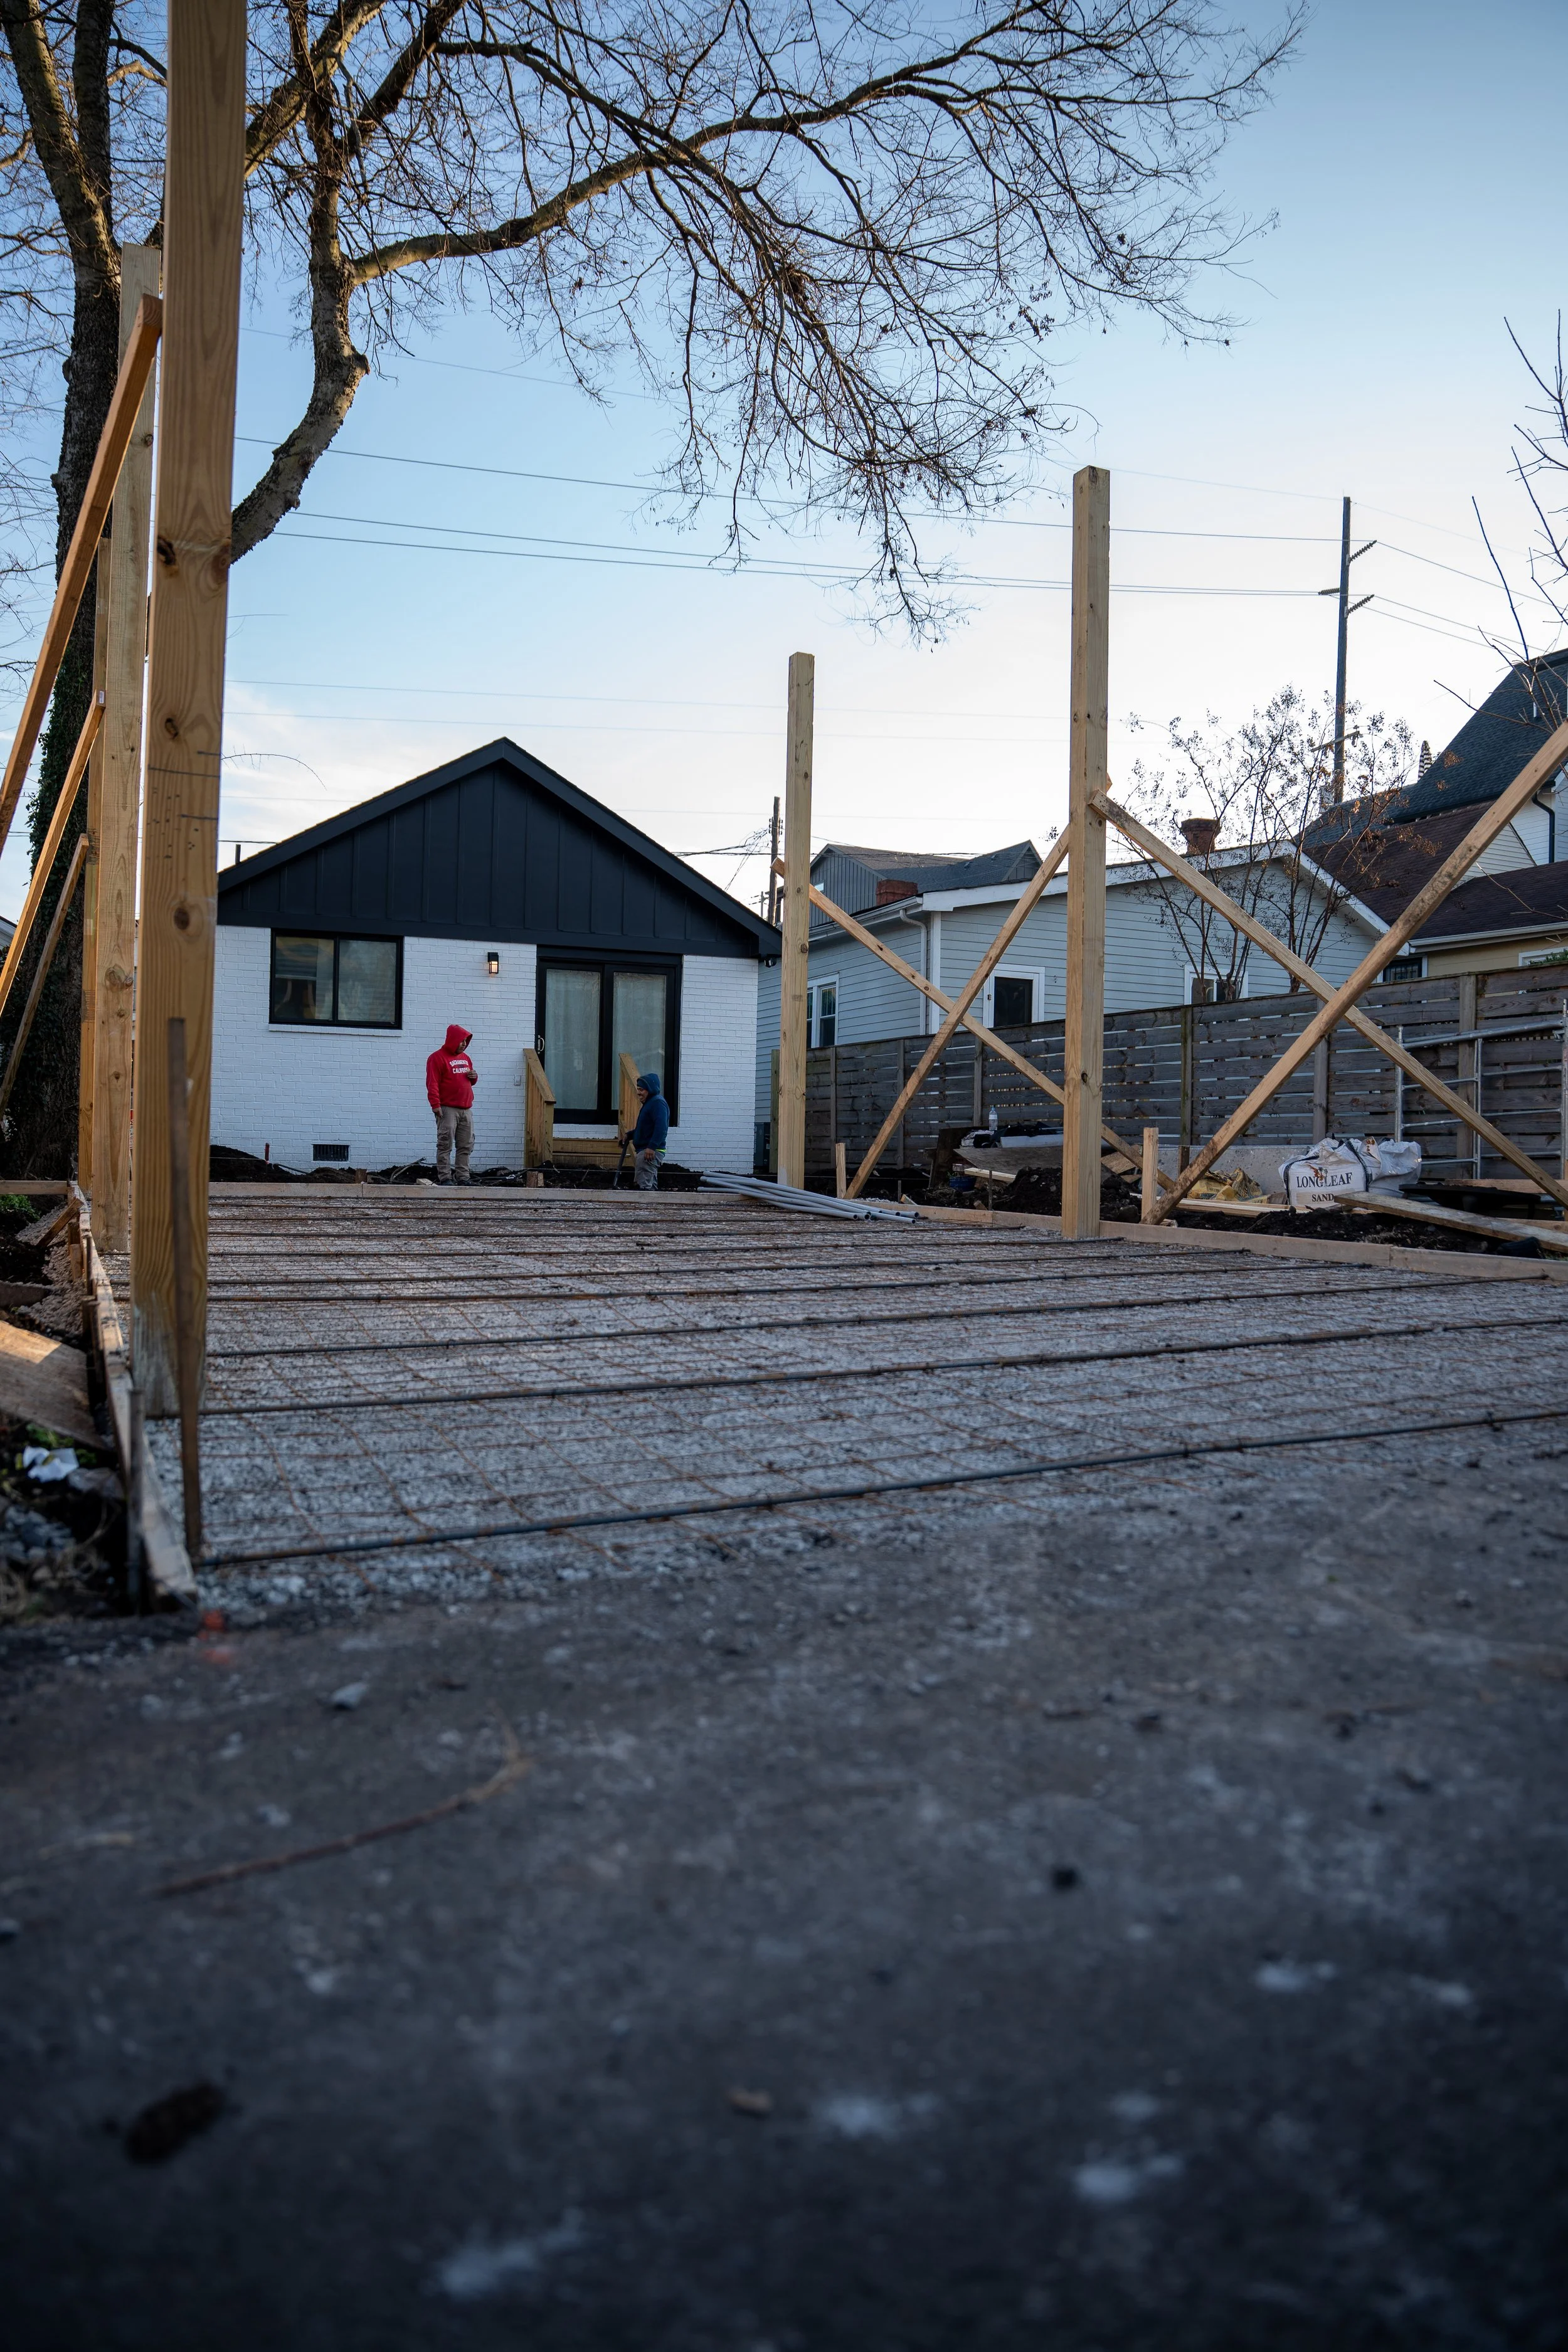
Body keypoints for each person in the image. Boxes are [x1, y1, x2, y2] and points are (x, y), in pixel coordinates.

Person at [426, 1023, 478, 1184]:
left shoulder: (466, 1058)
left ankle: (463, 1177)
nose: (464, 1044)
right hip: (447, 1109)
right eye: (462, 1041)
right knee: (445, 1145)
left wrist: (474, 1077)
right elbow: (432, 1083)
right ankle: (445, 1177)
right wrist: (436, 1105)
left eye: (466, 1041)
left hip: (466, 1109)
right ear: (452, 1040)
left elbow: (469, 1081)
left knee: (466, 1146)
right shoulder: (437, 1058)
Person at [623, 1072, 669, 1190]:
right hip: (647, 1151)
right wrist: (631, 1135)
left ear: (650, 1090)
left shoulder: (657, 1103)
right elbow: (647, 1129)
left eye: (642, 1090)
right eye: (638, 1089)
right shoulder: (651, 1103)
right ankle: (652, 1208)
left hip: (649, 1153)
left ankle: (643, 1209)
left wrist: (652, 1147)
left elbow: (661, 1127)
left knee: (643, 1189)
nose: (639, 1092)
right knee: (650, 1188)